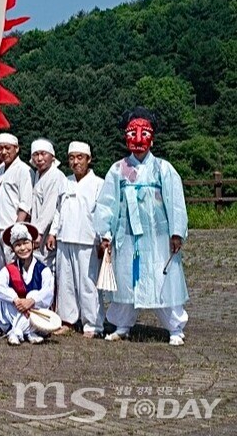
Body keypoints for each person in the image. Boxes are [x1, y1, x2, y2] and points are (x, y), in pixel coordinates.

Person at [93, 108, 189, 346]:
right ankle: (122, 324)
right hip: (127, 237)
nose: (138, 141)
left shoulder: (164, 169)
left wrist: (177, 232)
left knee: (163, 279)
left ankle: (175, 327)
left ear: (151, 138)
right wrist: (105, 233)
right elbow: (107, 203)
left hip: (158, 236)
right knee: (126, 278)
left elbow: (175, 202)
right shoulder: (118, 170)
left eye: (144, 134)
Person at [48, 141, 104, 337]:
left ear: (89, 159)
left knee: (88, 284)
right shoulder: (66, 181)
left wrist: (105, 238)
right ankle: (68, 320)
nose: (75, 162)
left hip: (88, 240)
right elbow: (58, 209)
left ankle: (93, 324)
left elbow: (104, 213)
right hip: (65, 238)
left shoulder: (99, 184)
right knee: (66, 283)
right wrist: (53, 232)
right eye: (72, 158)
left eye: (80, 157)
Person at [0, 223, 55, 345]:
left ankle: (16, 332)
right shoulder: (8, 269)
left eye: (25, 243)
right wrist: (15, 299)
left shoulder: (43, 270)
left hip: (35, 315)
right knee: (6, 298)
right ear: (13, 249)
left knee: (34, 294)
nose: (22, 248)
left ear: (33, 243)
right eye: (18, 245)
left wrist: (31, 301)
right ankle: (27, 333)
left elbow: (48, 293)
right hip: (13, 313)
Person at [0, 133, 33, 279]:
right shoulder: (0, 170)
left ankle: (19, 298)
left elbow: (25, 202)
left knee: (15, 267)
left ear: (17, 149)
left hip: (11, 226)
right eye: (0, 148)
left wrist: (17, 228)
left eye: (7, 148)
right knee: (3, 268)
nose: (3, 152)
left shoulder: (23, 170)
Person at [28, 139, 67, 269]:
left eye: (43, 154)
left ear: (52, 156)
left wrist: (38, 233)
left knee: (46, 266)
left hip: (47, 231)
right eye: (35, 154)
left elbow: (50, 208)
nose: (39, 158)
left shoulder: (55, 176)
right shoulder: (38, 174)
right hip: (37, 229)